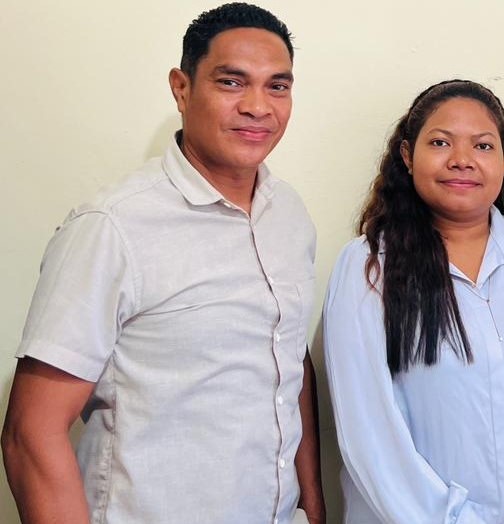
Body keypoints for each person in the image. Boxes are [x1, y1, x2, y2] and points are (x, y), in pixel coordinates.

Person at [1, 3, 325, 523]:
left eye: (277, 86)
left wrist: (311, 503)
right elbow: (30, 434)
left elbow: (287, 356)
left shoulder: (288, 213)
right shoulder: (112, 227)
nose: (257, 107)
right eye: (231, 82)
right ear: (181, 88)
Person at [323, 79, 504, 523]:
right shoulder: (368, 267)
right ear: (408, 155)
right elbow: (369, 432)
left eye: (482, 146)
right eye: (440, 142)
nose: (462, 159)